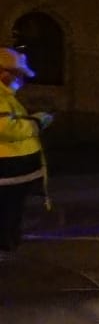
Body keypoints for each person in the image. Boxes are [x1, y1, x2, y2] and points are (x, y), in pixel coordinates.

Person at [0, 48, 52, 251]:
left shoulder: (7, 96)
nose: (21, 80)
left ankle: (9, 239)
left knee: (12, 208)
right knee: (7, 209)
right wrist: (36, 123)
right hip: (7, 172)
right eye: (18, 74)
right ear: (3, 72)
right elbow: (5, 127)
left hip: (13, 173)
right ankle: (5, 243)